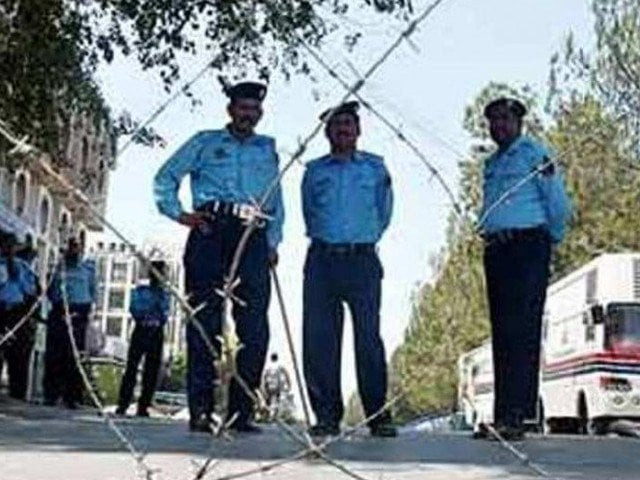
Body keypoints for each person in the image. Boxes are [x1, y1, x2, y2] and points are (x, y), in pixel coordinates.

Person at [153, 81, 284, 433]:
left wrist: (272, 242)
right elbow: (166, 176)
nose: (248, 115)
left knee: (254, 327)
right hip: (211, 230)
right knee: (204, 321)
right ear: (231, 110)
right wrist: (179, 214)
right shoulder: (205, 142)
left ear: (260, 113)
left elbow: (277, 200)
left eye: (254, 110)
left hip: (253, 236)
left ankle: (241, 412)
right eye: (243, 108)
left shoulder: (267, 149)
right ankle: (201, 410)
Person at [301, 101, 397, 438]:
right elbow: (309, 211)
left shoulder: (375, 168)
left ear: (358, 130)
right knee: (320, 339)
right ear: (327, 132)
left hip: (362, 259)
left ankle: (378, 415)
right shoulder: (314, 171)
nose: (342, 130)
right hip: (322, 259)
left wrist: (361, 237)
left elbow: (384, 212)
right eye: (336, 125)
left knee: (368, 339)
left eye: (348, 124)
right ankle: (327, 414)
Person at [479, 97, 571, 440]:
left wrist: (549, 238)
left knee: (523, 329)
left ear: (518, 123)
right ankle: (503, 415)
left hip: (527, 246)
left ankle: (520, 415)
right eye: (494, 120)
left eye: (505, 119)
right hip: (497, 248)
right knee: (502, 332)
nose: (499, 126)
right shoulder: (492, 163)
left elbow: (557, 201)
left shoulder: (535, 154)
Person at [44, 237, 97, 409]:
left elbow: (93, 292)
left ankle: (72, 396)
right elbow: (50, 291)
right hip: (60, 310)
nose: (73, 250)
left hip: (79, 312)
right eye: (70, 247)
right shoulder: (59, 269)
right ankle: (51, 394)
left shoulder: (88, 270)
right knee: (55, 354)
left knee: (74, 356)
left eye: (76, 247)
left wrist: (84, 311)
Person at [116, 261, 170, 417]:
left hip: (156, 331)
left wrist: (156, 308)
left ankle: (144, 405)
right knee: (132, 367)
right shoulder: (141, 291)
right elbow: (135, 309)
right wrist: (150, 310)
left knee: (152, 370)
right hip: (142, 329)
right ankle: (123, 403)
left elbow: (164, 313)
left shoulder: (164, 293)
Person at [0, 231, 38, 400]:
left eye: (12, 245)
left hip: (17, 312)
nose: (9, 248)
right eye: (6, 245)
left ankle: (18, 393)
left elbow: (30, 290)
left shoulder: (22, 267)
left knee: (19, 355)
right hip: (1, 311)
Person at [262, 352, 291, 418]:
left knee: (270, 399)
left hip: (270, 385)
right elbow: (286, 374)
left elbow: (264, 376)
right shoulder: (280, 365)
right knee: (277, 399)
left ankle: (269, 414)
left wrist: (264, 386)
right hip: (278, 385)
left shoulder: (268, 367)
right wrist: (289, 383)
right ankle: (275, 414)